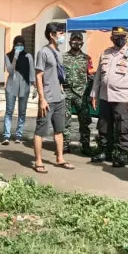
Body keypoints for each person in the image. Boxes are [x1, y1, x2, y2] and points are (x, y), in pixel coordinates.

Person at [90, 27, 128, 167]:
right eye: (116, 36)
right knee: (104, 125)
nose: (119, 39)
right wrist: (94, 94)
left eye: (122, 36)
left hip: (122, 97)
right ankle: (104, 151)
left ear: (125, 38)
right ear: (112, 38)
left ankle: (122, 155)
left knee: (123, 127)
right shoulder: (106, 53)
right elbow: (98, 76)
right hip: (105, 96)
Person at [33, 22, 74, 173]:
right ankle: (38, 161)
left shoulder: (58, 52)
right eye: (60, 33)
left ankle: (60, 158)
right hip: (48, 98)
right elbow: (38, 76)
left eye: (63, 33)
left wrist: (62, 91)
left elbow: (58, 75)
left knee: (59, 130)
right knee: (41, 131)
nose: (62, 36)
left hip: (59, 98)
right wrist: (42, 99)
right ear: (52, 35)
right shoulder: (43, 52)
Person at [62, 33, 94, 155]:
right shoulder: (63, 57)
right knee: (65, 121)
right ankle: (65, 145)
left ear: (82, 43)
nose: (76, 43)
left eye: (78, 41)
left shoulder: (87, 58)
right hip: (66, 93)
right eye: (74, 41)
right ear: (70, 42)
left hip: (81, 93)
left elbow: (91, 77)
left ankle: (85, 146)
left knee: (85, 121)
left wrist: (91, 95)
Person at [3, 35, 35, 145]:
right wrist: (15, 58)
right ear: (14, 45)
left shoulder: (28, 56)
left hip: (24, 87)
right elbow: (10, 71)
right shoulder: (8, 56)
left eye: (21, 45)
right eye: (17, 45)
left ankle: (18, 136)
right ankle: (6, 136)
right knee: (9, 111)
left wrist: (34, 86)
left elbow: (32, 72)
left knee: (22, 112)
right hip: (11, 87)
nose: (19, 47)